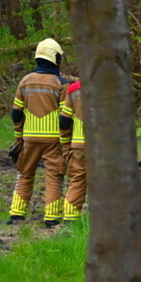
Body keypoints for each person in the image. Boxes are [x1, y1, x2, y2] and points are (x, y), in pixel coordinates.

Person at [8, 38, 68, 226]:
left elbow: (16, 113)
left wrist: (19, 137)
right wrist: (66, 141)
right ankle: (51, 218)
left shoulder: (25, 81)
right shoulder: (61, 83)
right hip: (53, 140)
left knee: (25, 174)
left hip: (29, 139)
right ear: (56, 58)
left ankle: (17, 214)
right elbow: (66, 117)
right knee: (54, 176)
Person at [59, 80, 86, 222]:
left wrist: (65, 143)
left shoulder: (74, 89)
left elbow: (64, 120)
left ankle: (70, 218)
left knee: (78, 178)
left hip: (79, 143)